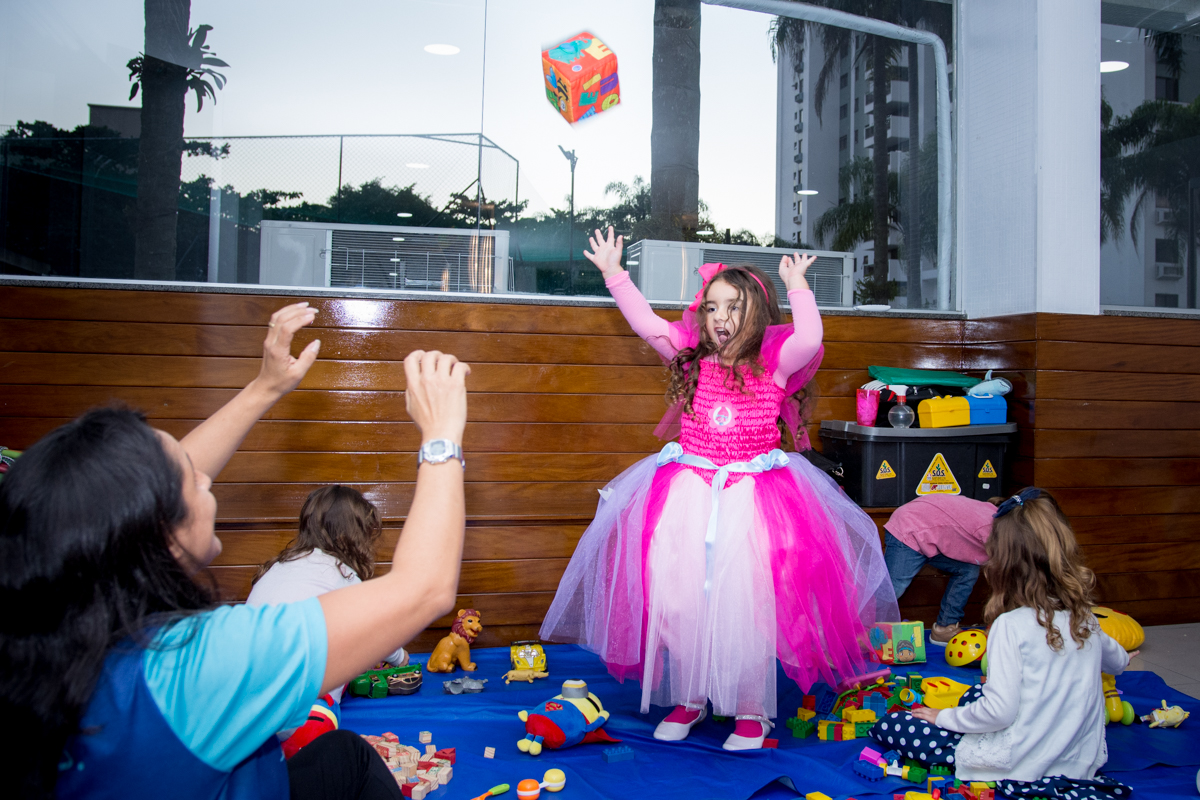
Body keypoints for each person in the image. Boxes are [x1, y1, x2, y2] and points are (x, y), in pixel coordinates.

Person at [0, 300, 471, 800]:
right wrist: (442, 435)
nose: (205, 475)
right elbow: (424, 589)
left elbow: (128, 501)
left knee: (341, 754)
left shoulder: (48, 626)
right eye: (189, 479)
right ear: (161, 533)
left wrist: (266, 387)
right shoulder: (195, 666)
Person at [540, 227, 898, 751]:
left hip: (752, 500)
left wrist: (799, 286)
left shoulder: (773, 365)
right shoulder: (689, 360)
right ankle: (690, 695)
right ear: (700, 315)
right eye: (711, 307)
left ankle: (751, 708)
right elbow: (645, 324)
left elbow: (811, 339)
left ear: (755, 314)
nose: (721, 317)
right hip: (689, 493)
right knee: (681, 598)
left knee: (747, 603)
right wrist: (615, 274)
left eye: (734, 307)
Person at [905, 488, 1135, 799]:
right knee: (975, 694)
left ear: (1002, 565)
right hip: (1080, 759)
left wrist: (942, 718)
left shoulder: (1009, 626)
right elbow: (1119, 662)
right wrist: (1121, 656)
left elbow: (999, 713)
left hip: (1018, 762)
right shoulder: (1085, 618)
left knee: (901, 723)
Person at [248, 484, 410, 694]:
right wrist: (402, 659)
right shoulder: (342, 573)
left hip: (249, 686)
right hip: (299, 697)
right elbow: (377, 631)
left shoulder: (278, 567)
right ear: (354, 537)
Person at [882, 495, 1001, 644]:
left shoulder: (996, 518)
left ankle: (944, 628)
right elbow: (1003, 578)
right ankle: (861, 630)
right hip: (909, 527)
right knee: (893, 588)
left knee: (967, 570)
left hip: (931, 534)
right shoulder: (992, 529)